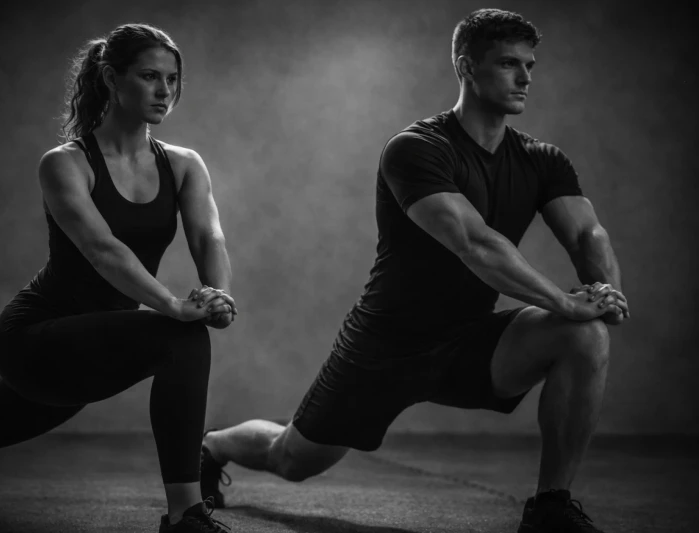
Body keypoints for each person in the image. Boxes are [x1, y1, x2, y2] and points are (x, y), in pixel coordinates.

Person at [199, 8, 629, 533]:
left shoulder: (542, 160)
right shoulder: (416, 150)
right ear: (466, 67)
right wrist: (562, 300)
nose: (525, 78)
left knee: (585, 337)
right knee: (290, 458)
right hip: (384, 345)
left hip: (470, 339)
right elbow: (475, 243)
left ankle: (550, 507)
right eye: (508, 63)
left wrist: (606, 293)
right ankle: (214, 445)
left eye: (529, 64)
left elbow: (587, 234)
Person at [0, 23, 235, 533]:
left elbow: (208, 239)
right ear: (111, 78)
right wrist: (173, 306)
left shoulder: (183, 165)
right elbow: (103, 250)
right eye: (150, 76)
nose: (164, 91)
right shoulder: (66, 163)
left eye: (172, 79)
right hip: (35, 341)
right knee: (182, 339)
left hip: (92, 353)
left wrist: (217, 293)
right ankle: (185, 517)